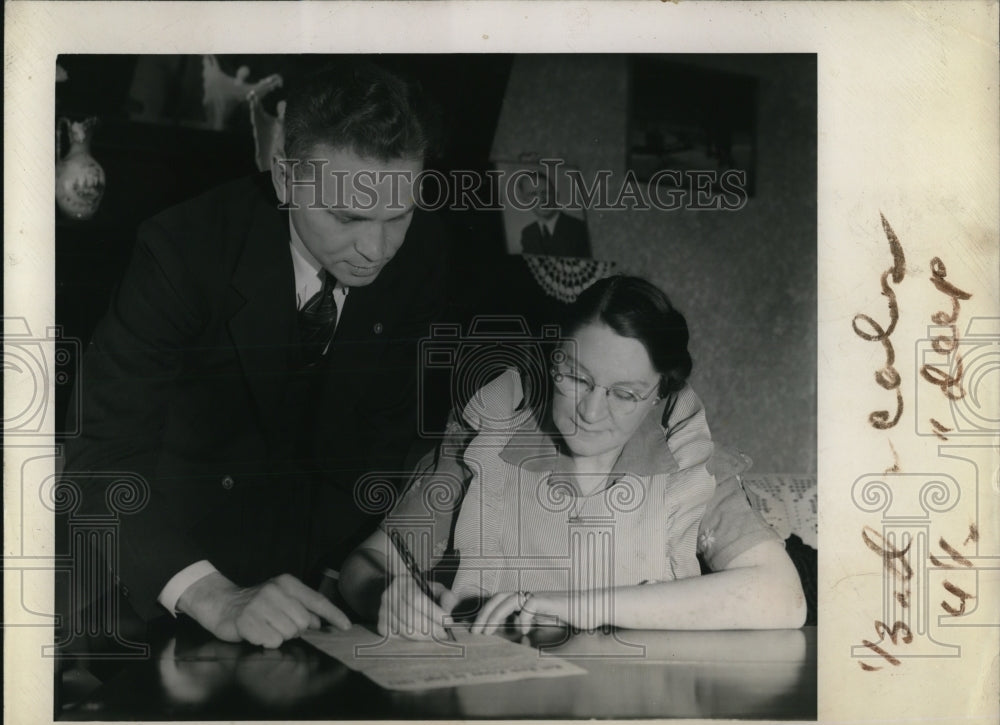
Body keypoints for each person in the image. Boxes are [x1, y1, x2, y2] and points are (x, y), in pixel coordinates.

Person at [63, 60, 449, 649]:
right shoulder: (181, 251)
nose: (376, 250)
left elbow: (377, 459)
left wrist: (369, 580)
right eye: (348, 216)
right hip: (155, 597)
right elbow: (101, 461)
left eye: (398, 215)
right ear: (286, 177)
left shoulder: (422, 264)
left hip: (320, 605)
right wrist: (216, 597)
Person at [339, 276, 806, 637]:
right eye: (577, 377)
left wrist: (579, 607)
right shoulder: (489, 439)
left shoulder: (686, 462)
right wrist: (384, 593)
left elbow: (783, 597)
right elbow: (367, 564)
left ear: (658, 394)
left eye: (624, 393)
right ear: (553, 356)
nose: (590, 410)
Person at [517, 169, 591, 258]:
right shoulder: (528, 233)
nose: (541, 200)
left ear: (556, 195)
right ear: (524, 200)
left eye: (546, 192)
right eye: (532, 194)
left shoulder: (580, 229)